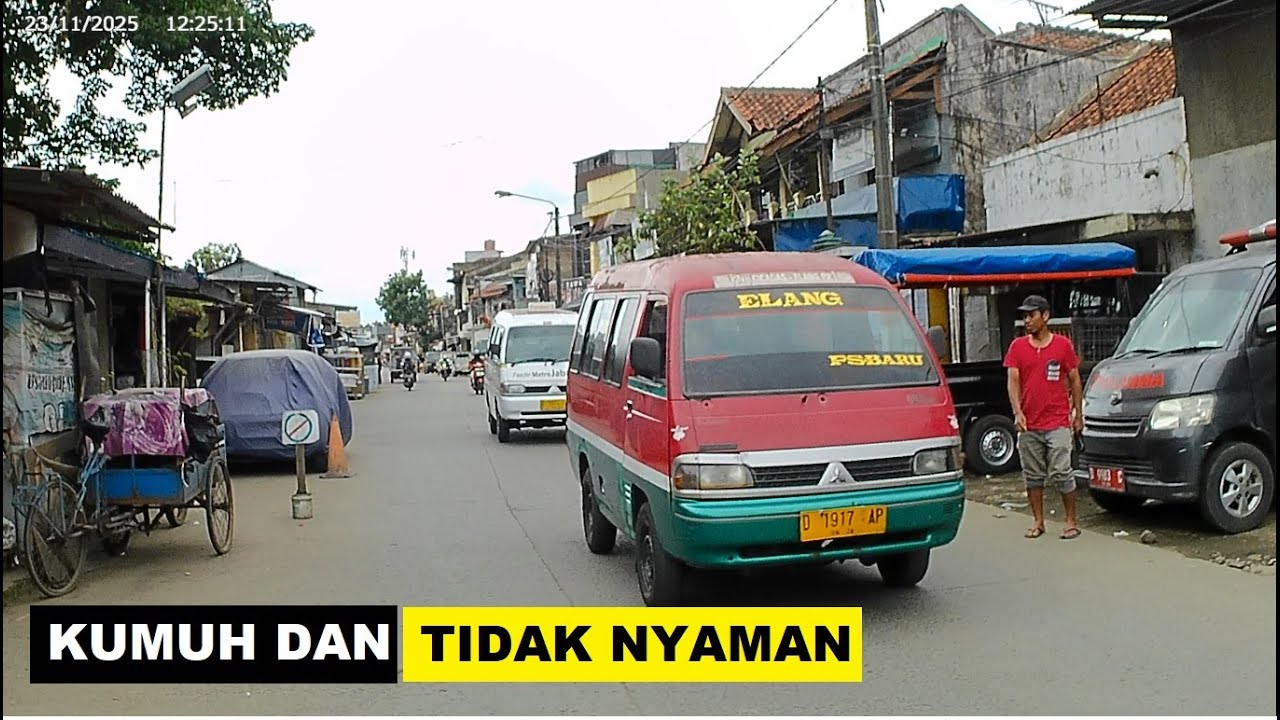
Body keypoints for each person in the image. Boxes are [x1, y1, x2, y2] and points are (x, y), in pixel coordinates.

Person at [1003, 294, 1084, 540]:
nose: (1027, 320)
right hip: (1029, 423)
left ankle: (1071, 520)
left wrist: (1078, 414)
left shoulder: (1062, 346)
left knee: (1062, 471)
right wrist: (1017, 412)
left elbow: (1075, 379)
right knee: (1033, 475)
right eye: (1024, 316)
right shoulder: (1017, 347)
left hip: (1057, 421)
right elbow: (1013, 382)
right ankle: (1038, 521)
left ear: (1045, 316)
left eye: (1031, 315)